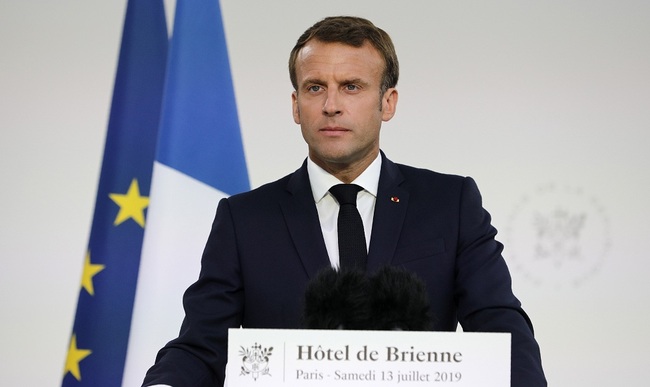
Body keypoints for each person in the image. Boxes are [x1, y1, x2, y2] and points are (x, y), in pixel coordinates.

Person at [143, 16, 546, 386]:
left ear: (387, 103)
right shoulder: (244, 218)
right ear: (296, 106)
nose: (331, 104)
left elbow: (500, 325)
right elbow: (201, 345)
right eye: (315, 87)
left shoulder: (450, 203)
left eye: (351, 86)